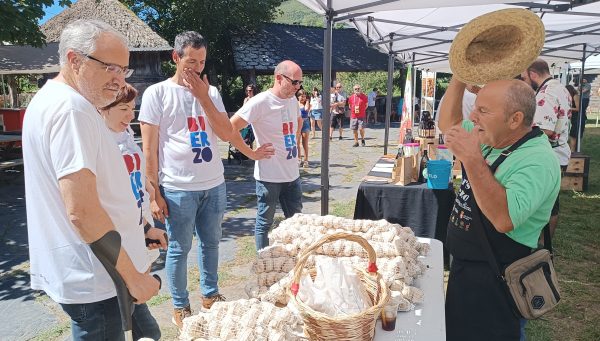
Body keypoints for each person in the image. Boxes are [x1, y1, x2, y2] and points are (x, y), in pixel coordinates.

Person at [22, 19, 161, 340]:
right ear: (74, 60)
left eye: (123, 70)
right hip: (98, 277)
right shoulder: (72, 110)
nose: (119, 80)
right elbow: (81, 211)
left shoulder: (53, 101)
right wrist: (133, 277)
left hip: (99, 272)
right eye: (110, 68)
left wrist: (139, 231)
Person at [439, 77, 560, 341]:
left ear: (515, 119)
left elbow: (504, 219)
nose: (473, 116)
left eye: (483, 110)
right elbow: (449, 126)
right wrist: (459, 79)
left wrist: (472, 158)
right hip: (467, 271)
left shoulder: (537, 160)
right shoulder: (493, 136)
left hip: (498, 281)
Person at [138, 31, 233, 328]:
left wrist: (204, 97)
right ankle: (180, 305)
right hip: (177, 187)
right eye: (191, 61)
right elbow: (149, 149)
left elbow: (227, 132)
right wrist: (154, 194)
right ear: (176, 57)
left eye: (202, 62)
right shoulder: (158, 93)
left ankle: (210, 294)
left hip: (213, 183)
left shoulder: (212, 92)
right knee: (178, 248)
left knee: (211, 243)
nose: (197, 68)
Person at [229, 60, 303, 250]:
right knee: (264, 224)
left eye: (299, 83)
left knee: (298, 224)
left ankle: (296, 262)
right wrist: (251, 153)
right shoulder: (260, 102)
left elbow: (299, 121)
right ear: (279, 78)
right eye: (294, 82)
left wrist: (294, 145)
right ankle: (263, 265)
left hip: (292, 175)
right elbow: (230, 128)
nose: (298, 87)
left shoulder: (292, 100)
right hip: (269, 177)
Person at [99, 83, 167, 265]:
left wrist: (150, 192)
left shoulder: (125, 132)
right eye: (123, 108)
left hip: (140, 216)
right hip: (119, 225)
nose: (131, 115)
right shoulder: (99, 140)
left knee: (144, 268)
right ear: (103, 108)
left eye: (132, 108)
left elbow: (135, 169)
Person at [520, 59, 571, 239]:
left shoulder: (546, 94)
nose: (524, 81)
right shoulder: (561, 88)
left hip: (549, 157)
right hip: (559, 154)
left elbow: (544, 130)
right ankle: (545, 243)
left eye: (525, 77)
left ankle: (542, 244)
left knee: (545, 205)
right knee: (551, 203)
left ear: (533, 74)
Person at [297, 89, 311, 167]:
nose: (303, 98)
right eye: (302, 96)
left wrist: (308, 101)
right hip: (297, 124)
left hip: (305, 122)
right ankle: (299, 159)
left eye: (304, 96)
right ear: (298, 97)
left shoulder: (307, 104)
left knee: (305, 143)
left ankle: (306, 160)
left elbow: (306, 110)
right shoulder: (295, 104)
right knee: (297, 143)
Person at [566, 84, 582, 151]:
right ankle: (572, 150)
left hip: (578, 118)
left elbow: (578, 108)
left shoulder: (575, 96)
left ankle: (572, 151)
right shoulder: (571, 97)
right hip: (574, 118)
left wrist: (568, 108)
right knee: (572, 135)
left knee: (573, 135)